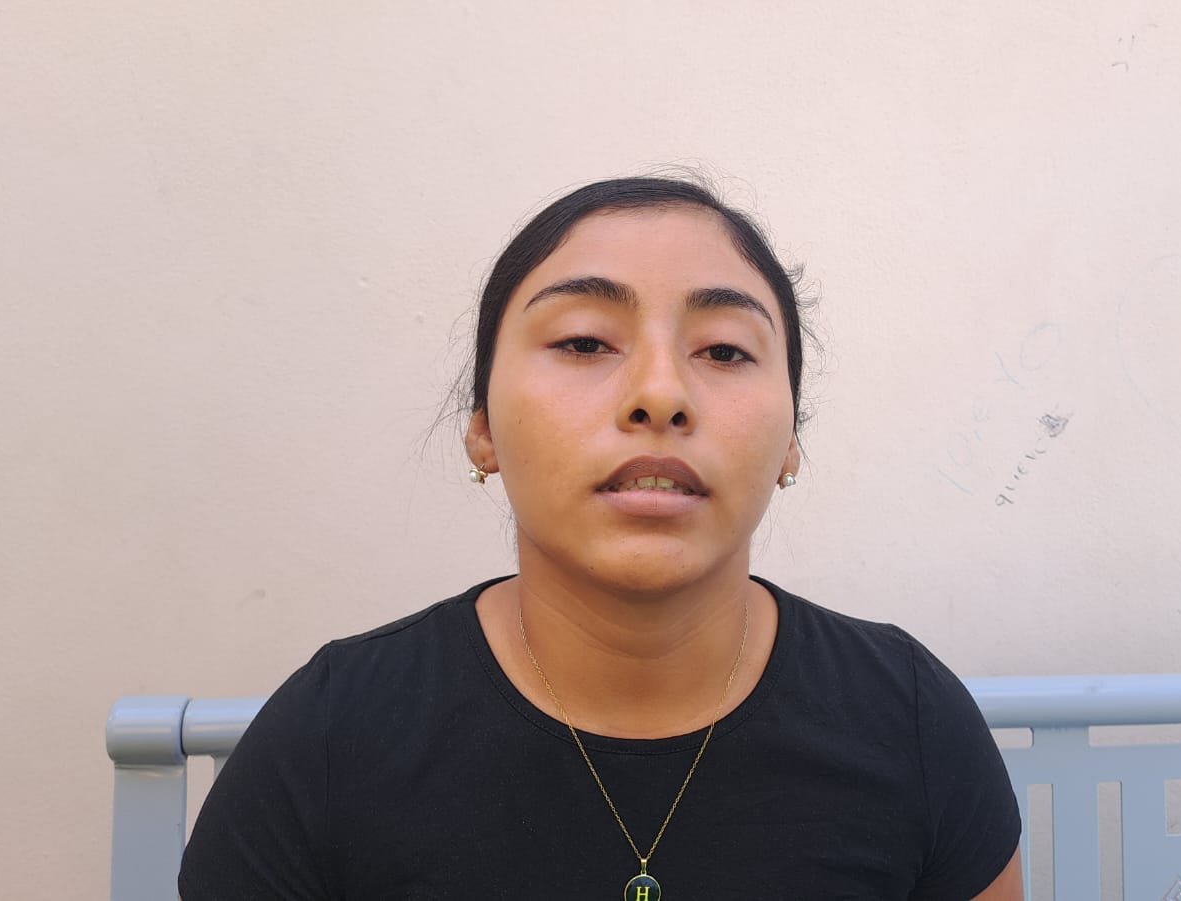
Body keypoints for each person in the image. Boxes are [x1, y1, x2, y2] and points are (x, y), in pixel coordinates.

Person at [178, 176, 1023, 899]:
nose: (661, 393)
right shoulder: (330, 740)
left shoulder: (912, 724)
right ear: (483, 429)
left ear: (790, 443)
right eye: (583, 341)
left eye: (725, 351)